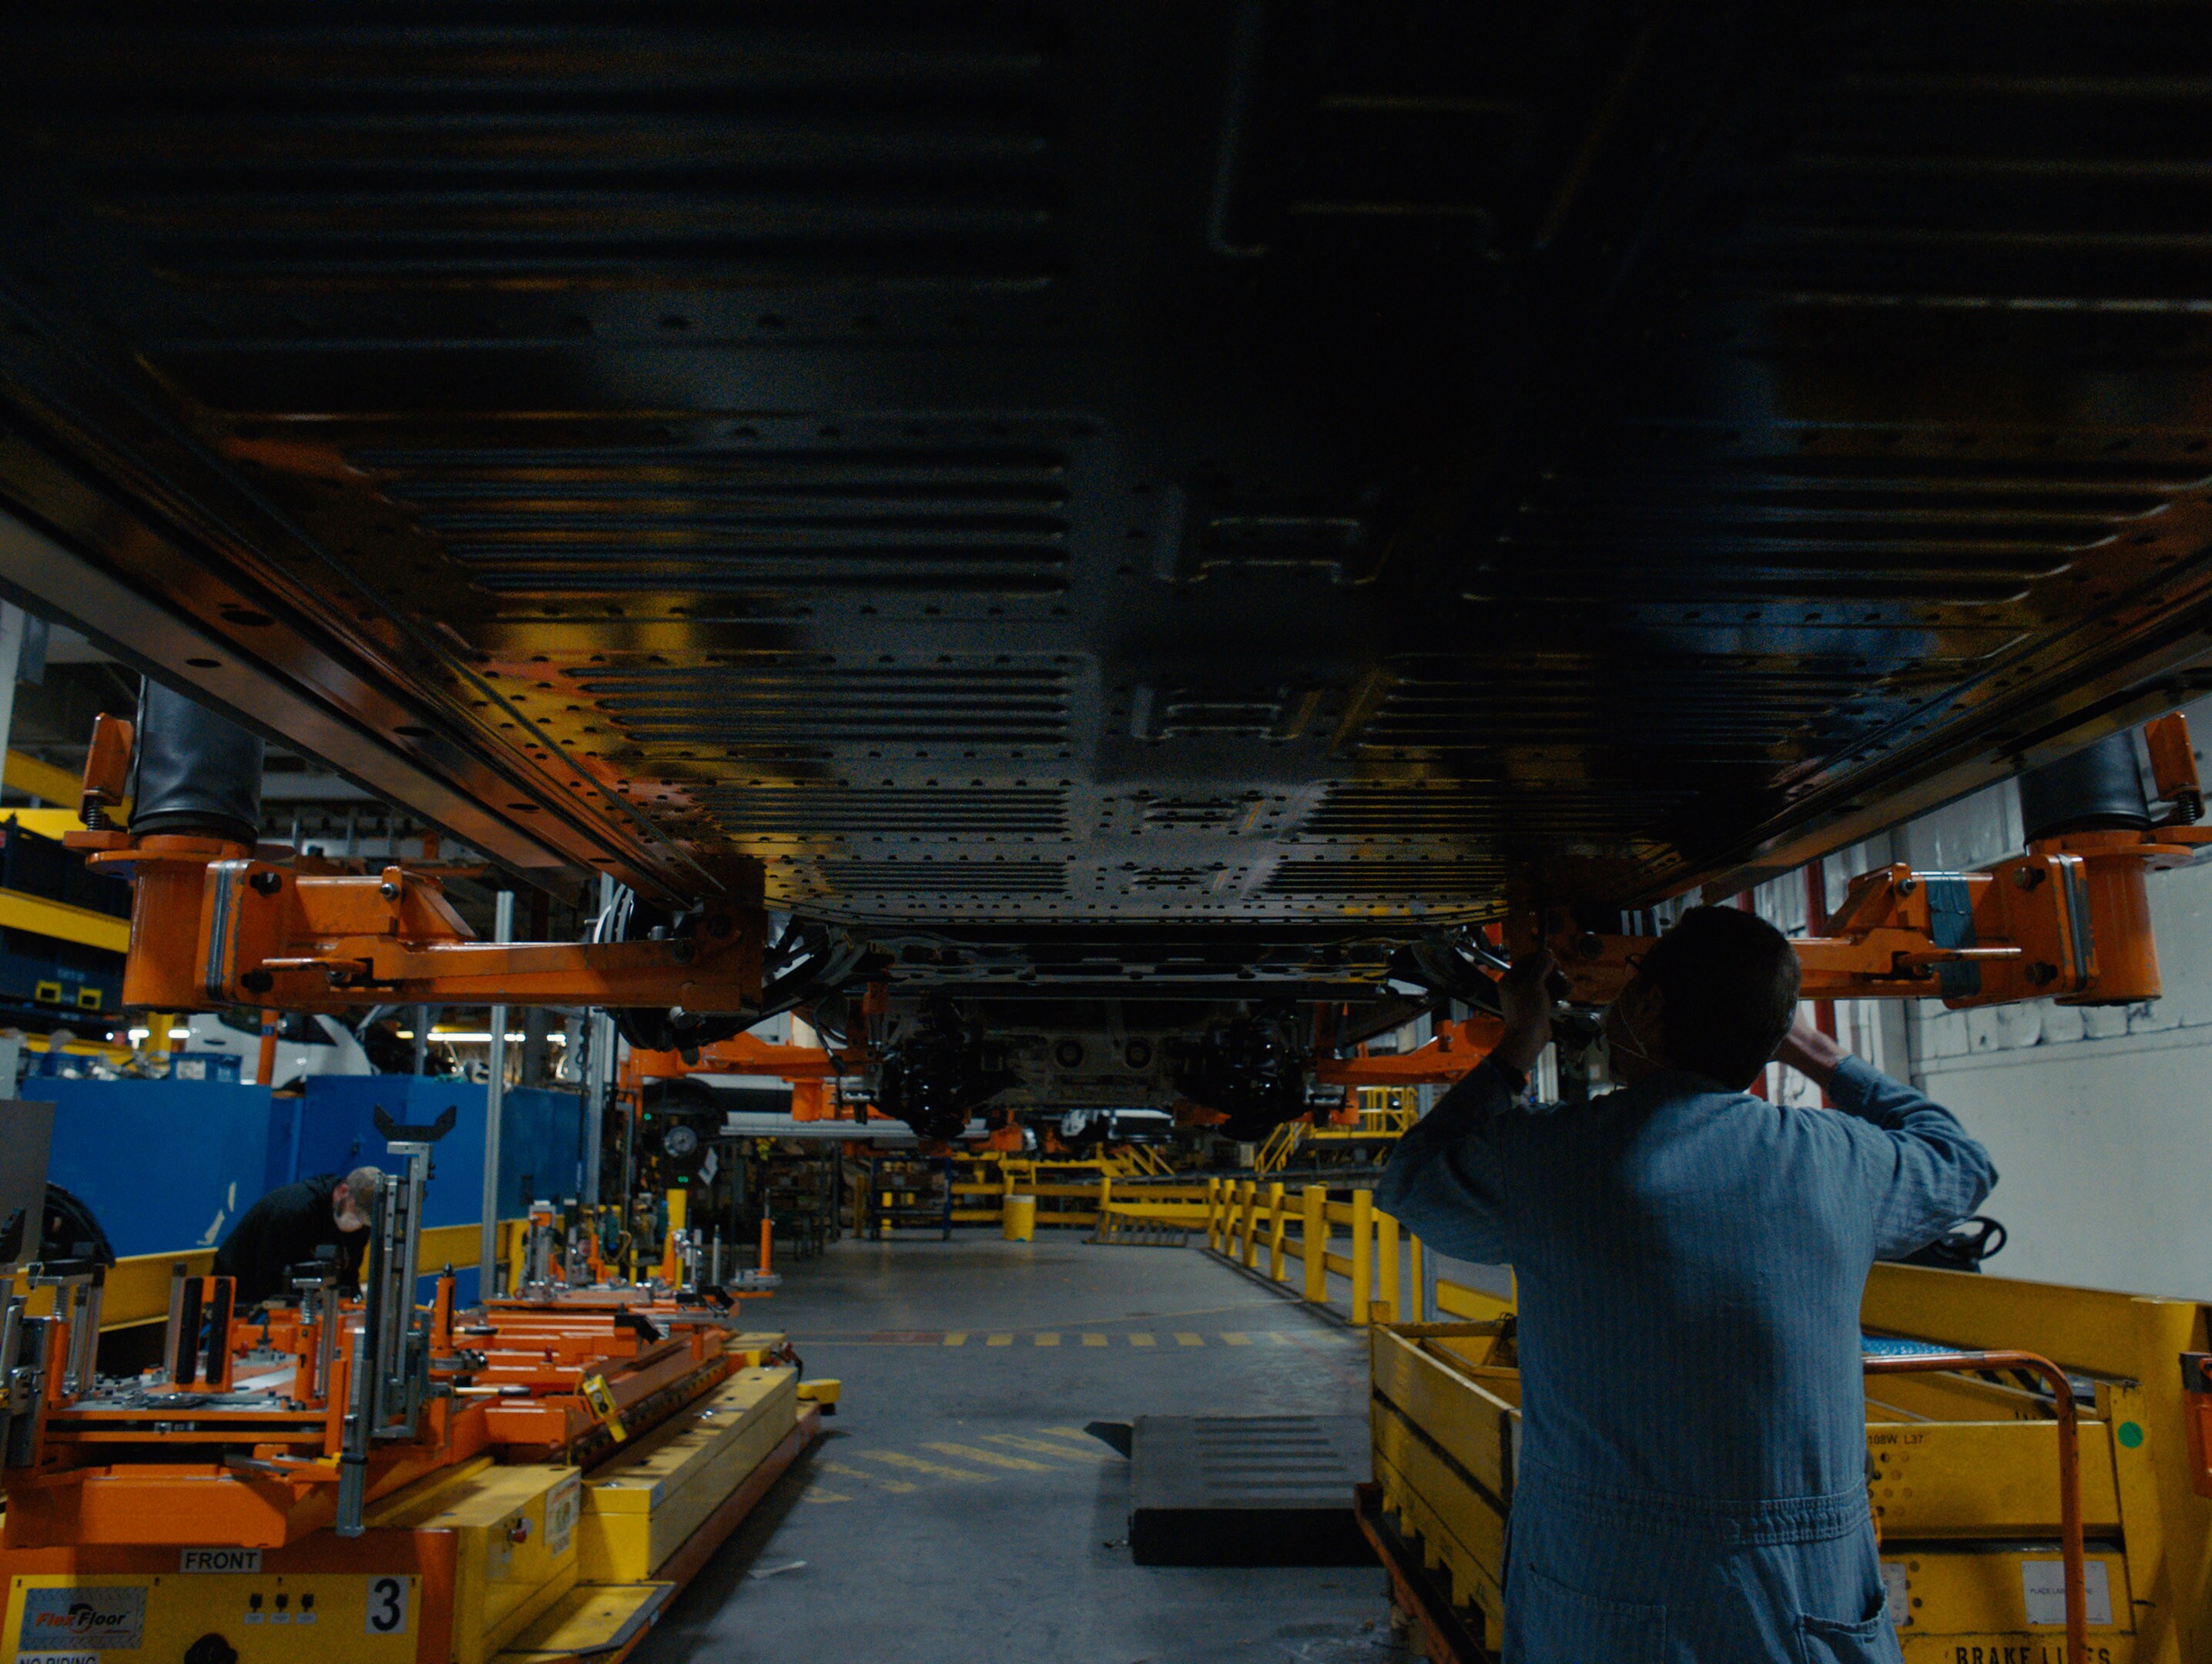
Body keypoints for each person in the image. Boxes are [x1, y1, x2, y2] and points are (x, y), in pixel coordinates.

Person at [1377, 905, 1994, 1663]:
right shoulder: (1842, 1162)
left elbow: (1411, 1181)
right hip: (1810, 1594)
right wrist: (1806, 1048)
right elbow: (1961, 1160)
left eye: (1629, 987)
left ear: (1650, 1007)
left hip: (1609, 1585)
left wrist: (1520, 1042)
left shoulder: (1556, 1158)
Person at [212, 1167, 384, 1304]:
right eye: (356, 1214)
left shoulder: (359, 1223)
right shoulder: (294, 1210)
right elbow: (270, 1278)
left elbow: (348, 1275)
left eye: (364, 1220)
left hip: (284, 1290)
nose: (358, 1223)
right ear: (343, 1191)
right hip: (238, 1289)